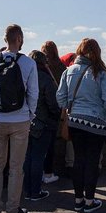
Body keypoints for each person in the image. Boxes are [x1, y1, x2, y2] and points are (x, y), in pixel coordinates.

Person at [0, 24, 38, 213]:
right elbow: (33, 93)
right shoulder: (28, 63)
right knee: (16, 168)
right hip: (20, 120)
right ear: (20, 39)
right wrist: (30, 114)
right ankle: (13, 210)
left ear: (4, 39)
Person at [57, 38, 106, 213]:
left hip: (75, 121)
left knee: (78, 160)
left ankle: (78, 200)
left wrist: (71, 107)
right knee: (92, 162)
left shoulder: (69, 71)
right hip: (96, 123)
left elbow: (60, 97)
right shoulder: (100, 72)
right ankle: (89, 201)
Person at [23, 51, 61, 201]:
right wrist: (56, 115)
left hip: (25, 121)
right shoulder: (45, 78)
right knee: (38, 157)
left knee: (28, 157)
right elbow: (52, 103)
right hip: (43, 123)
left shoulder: (24, 76)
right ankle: (35, 191)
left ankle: (27, 190)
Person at [40, 41, 65, 184]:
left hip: (40, 108)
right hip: (55, 107)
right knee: (50, 145)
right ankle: (48, 173)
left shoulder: (42, 67)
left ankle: (39, 173)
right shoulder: (61, 66)